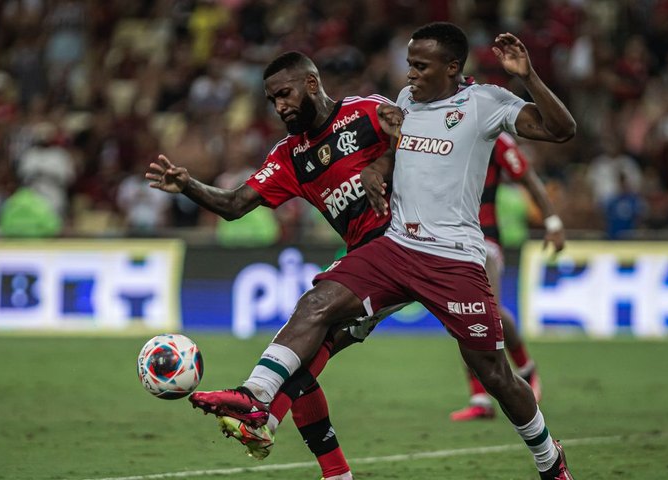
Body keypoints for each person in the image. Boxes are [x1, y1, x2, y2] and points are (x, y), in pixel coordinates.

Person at [189, 22, 576, 479]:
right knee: (317, 305)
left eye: (420, 65)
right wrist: (380, 164)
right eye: (409, 63)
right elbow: (400, 147)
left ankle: (550, 460)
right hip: (394, 245)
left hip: (454, 256)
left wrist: (527, 76)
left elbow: (561, 129)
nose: (409, 74)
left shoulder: (485, 103)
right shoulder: (405, 103)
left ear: (452, 67)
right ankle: (256, 398)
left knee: (494, 375)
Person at [146, 50, 400, 480]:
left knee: (308, 328)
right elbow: (233, 205)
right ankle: (322, 463)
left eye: (284, 94)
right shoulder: (290, 156)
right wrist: (188, 185)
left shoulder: (366, 113)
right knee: (300, 355)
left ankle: (263, 412)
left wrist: (383, 161)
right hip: (365, 262)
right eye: (272, 100)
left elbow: (415, 134)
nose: (279, 106)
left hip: (407, 246)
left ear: (312, 85)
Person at [451, 132, 565, 421]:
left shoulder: (493, 138)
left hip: (485, 237)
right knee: (464, 314)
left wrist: (552, 222)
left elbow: (527, 177)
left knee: (485, 312)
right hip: (449, 237)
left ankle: (526, 370)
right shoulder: (441, 129)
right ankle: (480, 398)